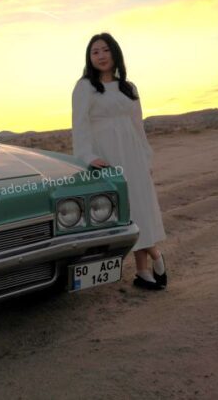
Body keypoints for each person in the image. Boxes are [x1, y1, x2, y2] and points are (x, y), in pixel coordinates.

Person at [71, 33, 167, 290]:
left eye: (105, 50)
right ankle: (156, 254)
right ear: (89, 58)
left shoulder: (129, 87)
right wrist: (89, 156)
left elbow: (138, 126)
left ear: (115, 54)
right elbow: (79, 126)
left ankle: (143, 271)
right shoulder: (84, 87)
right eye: (95, 52)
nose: (101, 56)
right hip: (108, 157)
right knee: (127, 211)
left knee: (141, 207)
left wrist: (146, 157)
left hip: (134, 154)